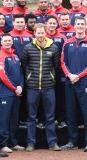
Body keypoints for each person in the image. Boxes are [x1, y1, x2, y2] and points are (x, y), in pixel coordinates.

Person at [21, 23, 61, 152]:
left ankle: (52, 143)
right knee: (31, 117)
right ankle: (30, 143)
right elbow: (24, 65)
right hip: (32, 88)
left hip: (48, 87)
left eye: (42, 33)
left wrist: (51, 77)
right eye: (38, 33)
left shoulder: (54, 47)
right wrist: (29, 78)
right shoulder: (28, 48)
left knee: (50, 117)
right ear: (34, 33)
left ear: (46, 33)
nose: (40, 35)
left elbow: (56, 66)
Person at [61, 16, 87, 152]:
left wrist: (79, 75)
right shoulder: (67, 43)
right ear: (74, 25)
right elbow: (62, 62)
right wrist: (70, 75)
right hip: (70, 81)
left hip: (85, 83)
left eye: (83, 24)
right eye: (78, 24)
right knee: (71, 113)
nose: (81, 26)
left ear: (86, 26)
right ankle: (72, 141)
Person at [0, 34, 25, 153]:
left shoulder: (15, 56)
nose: (7, 42)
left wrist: (21, 87)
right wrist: (14, 88)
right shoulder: (0, 56)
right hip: (5, 93)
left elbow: (21, 73)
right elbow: (3, 76)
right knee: (4, 119)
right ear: (1, 43)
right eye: (5, 41)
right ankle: (3, 144)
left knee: (14, 119)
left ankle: (13, 142)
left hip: (16, 92)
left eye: (9, 40)